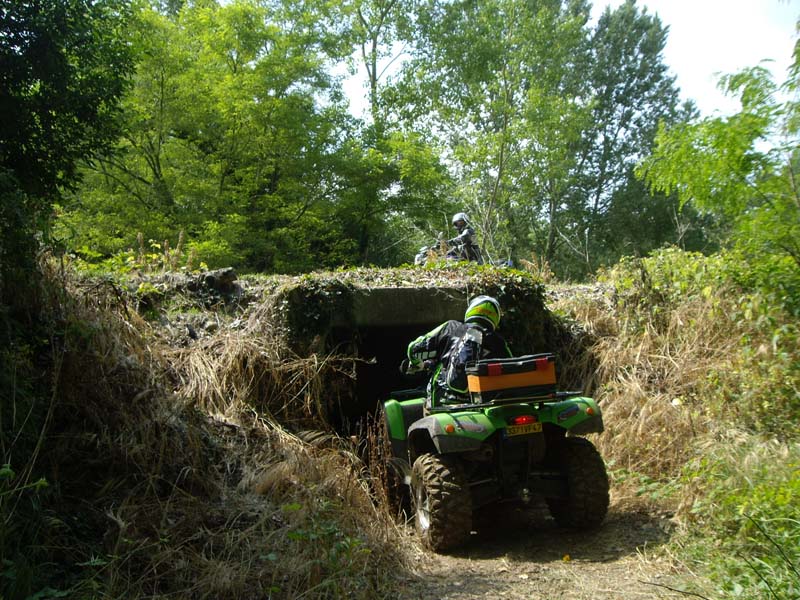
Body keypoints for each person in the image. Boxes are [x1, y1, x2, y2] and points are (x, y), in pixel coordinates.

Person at [405, 295, 511, 408]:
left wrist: (419, 364)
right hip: (481, 407)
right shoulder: (498, 342)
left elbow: (413, 349)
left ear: (471, 309)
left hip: (442, 402)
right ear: (496, 317)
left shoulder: (450, 327)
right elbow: (510, 370)